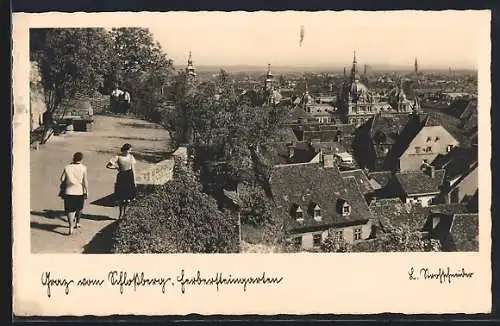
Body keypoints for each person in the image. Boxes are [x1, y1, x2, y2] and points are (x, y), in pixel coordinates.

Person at [60, 152, 89, 235]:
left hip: (68, 191)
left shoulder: (67, 167)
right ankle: (77, 223)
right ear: (81, 159)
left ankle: (70, 227)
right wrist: (87, 191)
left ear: (73, 158)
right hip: (79, 191)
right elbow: (85, 181)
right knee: (79, 208)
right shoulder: (83, 168)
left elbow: (62, 179)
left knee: (70, 210)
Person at [106, 143, 137, 219]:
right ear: (126, 149)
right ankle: (120, 213)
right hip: (121, 176)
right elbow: (108, 165)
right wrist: (116, 168)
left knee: (128, 197)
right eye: (129, 150)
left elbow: (133, 169)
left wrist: (135, 180)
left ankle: (125, 213)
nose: (130, 151)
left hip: (129, 176)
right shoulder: (118, 157)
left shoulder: (131, 157)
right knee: (121, 197)